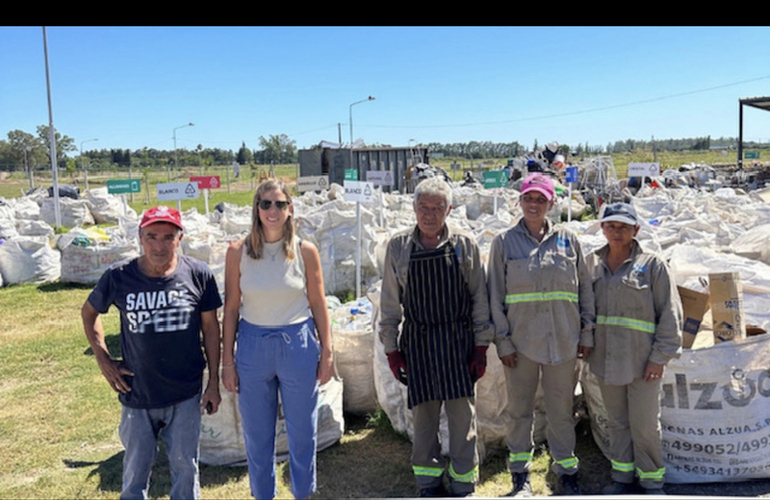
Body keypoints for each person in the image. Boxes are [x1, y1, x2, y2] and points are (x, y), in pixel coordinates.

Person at [81, 205, 222, 500]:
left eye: (168, 237)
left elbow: (211, 330)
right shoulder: (119, 277)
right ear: (140, 237)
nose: (159, 245)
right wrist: (103, 359)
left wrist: (213, 383)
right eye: (151, 236)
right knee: (134, 472)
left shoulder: (198, 274)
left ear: (179, 238)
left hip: (185, 392)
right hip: (138, 393)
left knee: (186, 468)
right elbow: (90, 312)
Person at [379, 176, 493, 498]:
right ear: (413, 208)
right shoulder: (399, 247)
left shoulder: (464, 245)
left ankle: (462, 483)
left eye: (437, 208)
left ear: (449, 209)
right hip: (419, 344)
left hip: (458, 344)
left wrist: (481, 347)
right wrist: (392, 350)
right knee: (424, 422)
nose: (429, 214)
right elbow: (389, 304)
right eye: (423, 207)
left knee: (461, 421)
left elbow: (479, 299)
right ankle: (429, 483)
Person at [221, 179, 333, 500]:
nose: (273, 211)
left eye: (280, 204)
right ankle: (263, 495)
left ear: (290, 209)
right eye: (266, 204)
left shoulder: (304, 251)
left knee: (302, 434)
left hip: (297, 345)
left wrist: (327, 351)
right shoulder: (237, 252)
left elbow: (318, 303)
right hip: (253, 347)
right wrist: (227, 361)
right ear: (256, 209)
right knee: (257, 436)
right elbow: (230, 309)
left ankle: (302, 493)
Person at [487, 173, 595, 497]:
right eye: (528, 198)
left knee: (562, 410)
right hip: (520, 345)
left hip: (563, 342)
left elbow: (584, 289)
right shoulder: (504, 243)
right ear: (520, 201)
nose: (534, 205)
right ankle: (520, 474)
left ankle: (567, 470)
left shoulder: (568, 240)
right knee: (520, 411)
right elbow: (495, 296)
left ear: (550, 203)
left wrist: (587, 332)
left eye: (540, 199)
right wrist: (502, 340)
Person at [586, 203, 682, 496]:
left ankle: (652, 482)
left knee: (644, 426)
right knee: (617, 423)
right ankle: (622, 478)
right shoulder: (591, 264)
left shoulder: (653, 265)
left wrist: (659, 358)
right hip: (606, 360)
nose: (617, 232)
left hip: (643, 363)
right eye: (611, 226)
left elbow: (670, 314)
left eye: (624, 227)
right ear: (602, 228)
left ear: (636, 230)